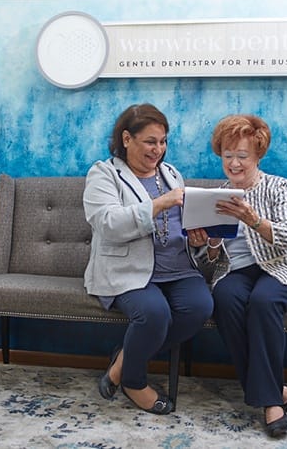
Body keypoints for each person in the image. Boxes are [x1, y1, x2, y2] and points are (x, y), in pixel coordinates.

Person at [83, 103, 214, 415]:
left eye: (164, 141)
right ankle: (134, 381)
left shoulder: (171, 174)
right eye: (151, 141)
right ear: (127, 138)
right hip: (129, 270)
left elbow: (180, 226)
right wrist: (159, 204)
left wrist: (198, 239)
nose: (159, 149)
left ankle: (124, 360)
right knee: (154, 314)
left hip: (178, 268)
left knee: (201, 307)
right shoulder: (104, 173)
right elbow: (107, 223)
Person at [190, 114, 287, 437]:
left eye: (242, 156)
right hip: (237, 271)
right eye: (227, 156)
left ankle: (271, 404)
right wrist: (210, 243)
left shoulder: (278, 186)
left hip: (282, 268)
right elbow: (208, 263)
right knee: (225, 298)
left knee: (262, 301)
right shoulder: (215, 196)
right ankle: (280, 390)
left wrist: (254, 220)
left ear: (258, 155)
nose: (234, 163)